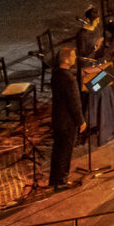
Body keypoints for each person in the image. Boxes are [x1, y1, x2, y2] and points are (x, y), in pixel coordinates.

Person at [48, 42, 84, 189]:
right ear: (67, 60)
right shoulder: (69, 79)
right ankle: (62, 181)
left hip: (57, 118)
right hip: (67, 121)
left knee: (57, 150)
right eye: (73, 56)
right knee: (65, 151)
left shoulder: (56, 74)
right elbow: (74, 103)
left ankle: (54, 179)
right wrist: (81, 121)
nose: (75, 58)